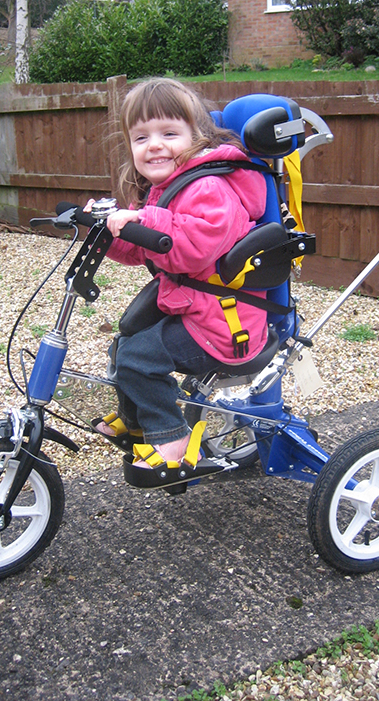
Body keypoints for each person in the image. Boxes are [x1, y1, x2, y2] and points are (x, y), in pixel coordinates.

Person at [89, 78, 268, 473]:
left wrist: (144, 218)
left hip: (226, 320)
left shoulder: (209, 187)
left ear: (197, 138)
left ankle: (172, 437)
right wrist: (109, 233)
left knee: (137, 359)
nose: (154, 145)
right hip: (197, 307)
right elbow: (145, 250)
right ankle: (138, 425)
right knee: (125, 346)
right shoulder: (166, 188)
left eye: (169, 133)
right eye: (141, 138)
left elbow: (196, 244)